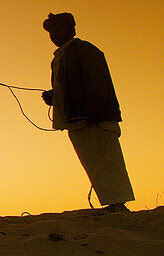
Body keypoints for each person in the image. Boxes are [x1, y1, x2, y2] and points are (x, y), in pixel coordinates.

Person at [41, 13, 134, 212]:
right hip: (76, 119)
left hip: (94, 118)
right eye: (52, 32)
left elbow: (97, 82)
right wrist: (54, 96)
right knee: (93, 162)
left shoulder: (86, 51)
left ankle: (119, 204)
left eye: (59, 30)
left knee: (108, 160)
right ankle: (112, 203)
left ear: (71, 29)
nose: (55, 35)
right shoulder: (60, 57)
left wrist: (94, 113)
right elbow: (70, 86)